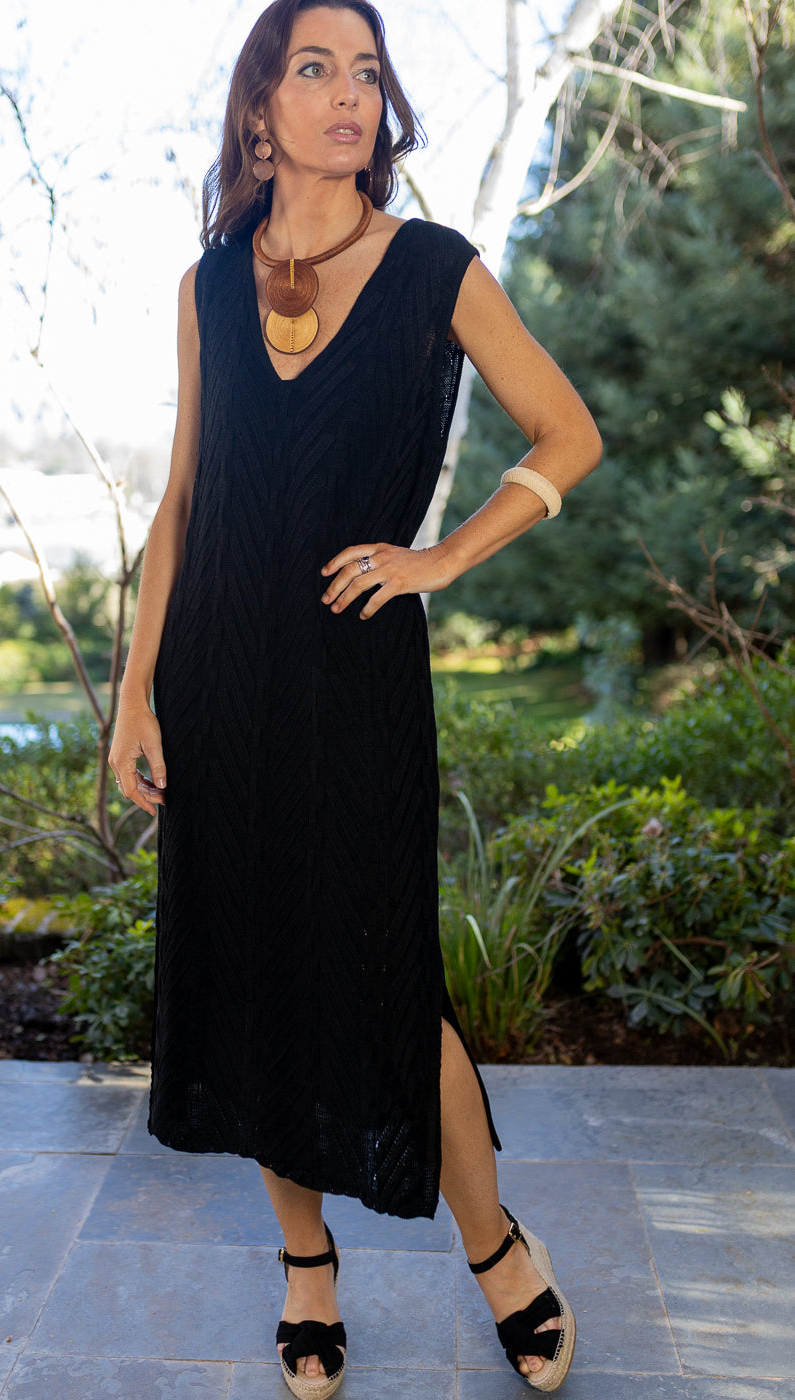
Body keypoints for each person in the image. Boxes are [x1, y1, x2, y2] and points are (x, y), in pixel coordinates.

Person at [109, 0, 602, 1394]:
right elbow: (183, 500)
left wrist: (438, 557)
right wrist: (136, 692)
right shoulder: (208, 286)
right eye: (313, 68)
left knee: (389, 981)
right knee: (252, 969)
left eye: (366, 73)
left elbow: (568, 431)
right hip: (217, 681)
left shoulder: (437, 268)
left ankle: (497, 1249)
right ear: (260, 107)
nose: (346, 94)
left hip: (355, 677)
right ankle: (306, 1269)